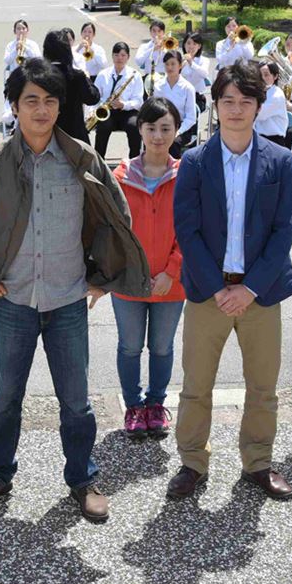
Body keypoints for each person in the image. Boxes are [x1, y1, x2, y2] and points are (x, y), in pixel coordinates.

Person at [0, 58, 152, 523]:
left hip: (68, 301)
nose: (41, 109)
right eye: (30, 100)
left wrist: (102, 277)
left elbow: (117, 217)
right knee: (5, 400)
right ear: (14, 106)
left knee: (76, 402)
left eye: (50, 101)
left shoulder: (81, 159)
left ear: (59, 106)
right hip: (10, 302)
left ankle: (83, 479)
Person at [166, 61, 292, 502]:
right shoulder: (194, 161)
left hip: (261, 292)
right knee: (196, 384)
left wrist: (250, 288)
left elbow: (284, 230)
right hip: (209, 292)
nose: (236, 110)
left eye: (245, 101)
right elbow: (187, 230)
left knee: (262, 386)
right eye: (228, 101)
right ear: (215, 105)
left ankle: (258, 462)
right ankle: (192, 461)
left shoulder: (281, 161)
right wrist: (219, 288)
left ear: (259, 106)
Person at [112, 96, 185, 438]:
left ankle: (156, 404)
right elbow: (112, 231)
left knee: (162, 347)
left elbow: (192, 229)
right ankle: (133, 406)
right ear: (139, 129)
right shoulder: (121, 176)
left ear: (176, 131)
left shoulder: (187, 175)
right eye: (151, 127)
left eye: (165, 128)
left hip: (172, 282)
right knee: (129, 346)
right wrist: (128, 270)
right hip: (129, 280)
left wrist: (172, 270)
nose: (158, 136)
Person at [43, 28, 101, 144]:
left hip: (46, 136)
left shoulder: (40, 77)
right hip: (75, 137)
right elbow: (93, 98)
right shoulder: (77, 76)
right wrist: (87, 78)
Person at [92, 41, 144, 158]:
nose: (119, 58)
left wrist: (124, 104)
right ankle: (99, 161)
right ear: (112, 56)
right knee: (103, 127)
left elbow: (139, 101)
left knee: (134, 126)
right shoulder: (103, 74)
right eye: (116, 55)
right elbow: (95, 97)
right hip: (107, 112)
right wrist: (96, 110)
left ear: (128, 57)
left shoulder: (135, 75)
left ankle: (134, 161)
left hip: (128, 112)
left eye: (123, 55)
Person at [152, 50, 198, 157]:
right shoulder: (158, 85)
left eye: (173, 64)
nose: (170, 67)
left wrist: (178, 131)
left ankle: (173, 167)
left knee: (173, 143)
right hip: (161, 124)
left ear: (180, 65)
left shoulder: (188, 88)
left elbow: (191, 118)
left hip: (181, 126)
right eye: (167, 64)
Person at [255, 61, 289, 147]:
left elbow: (259, 114)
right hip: (258, 137)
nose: (262, 78)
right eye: (259, 75)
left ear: (275, 76)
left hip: (273, 140)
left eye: (266, 75)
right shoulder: (259, 91)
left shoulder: (277, 95)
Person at [180, 32, 213, 112]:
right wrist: (180, 65)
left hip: (197, 96)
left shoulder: (204, 60)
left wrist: (191, 63)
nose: (191, 46)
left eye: (194, 44)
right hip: (180, 95)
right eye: (188, 43)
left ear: (199, 46)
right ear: (184, 45)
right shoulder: (179, 60)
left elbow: (204, 74)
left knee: (192, 110)